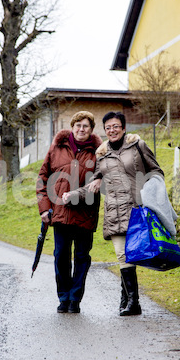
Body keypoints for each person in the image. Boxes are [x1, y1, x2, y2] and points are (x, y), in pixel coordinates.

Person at [64, 111, 164, 316]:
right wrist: (71, 195)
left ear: (124, 128)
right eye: (108, 127)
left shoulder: (138, 146)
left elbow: (157, 172)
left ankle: (127, 298)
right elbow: (93, 184)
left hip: (137, 209)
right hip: (115, 212)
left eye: (116, 126)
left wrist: (149, 192)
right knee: (122, 255)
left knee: (132, 255)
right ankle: (132, 301)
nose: (112, 130)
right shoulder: (101, 154)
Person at [36, 111, 102, 314]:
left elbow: (101, 180)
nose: (82, 129)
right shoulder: (56, 148)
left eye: (86, 126)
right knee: (61, 256)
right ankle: (63, 297)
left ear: (91, 130)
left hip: (85, 212)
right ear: (72, 127)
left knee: (82, 257)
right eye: (78, 125)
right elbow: (43, 178)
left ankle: (75, 299)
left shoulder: (99, 151)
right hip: (60, 213)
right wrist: (44, 208)